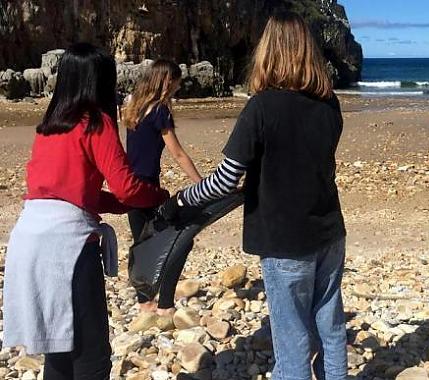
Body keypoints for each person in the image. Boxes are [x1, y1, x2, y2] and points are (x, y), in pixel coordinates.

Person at [159, 12, 347, 379]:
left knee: (292, 343)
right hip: (329, 232)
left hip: (284, 240)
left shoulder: (262, 107)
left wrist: (182, 201)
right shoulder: (329, 104)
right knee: (331, 328)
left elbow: (224, 180)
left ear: (268, 52)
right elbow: (310, 164)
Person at [2, 43, 168, 380]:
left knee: (60, 350)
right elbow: (126, 187)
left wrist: (122, 204)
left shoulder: (49, 125)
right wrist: (159, 196)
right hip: (68, 245)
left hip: (29, 239)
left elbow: (64, 194)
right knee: (92, 356)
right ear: (101, 81)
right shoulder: (97, 121)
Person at [122, 59, 202, 316]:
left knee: (141, 243)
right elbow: (177, 153)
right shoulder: (159, 111)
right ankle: (166, 304)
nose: (178, 87)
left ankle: (144, 302)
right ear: (168, 81)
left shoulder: (134, 107)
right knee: (178, 241)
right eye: (177, 82)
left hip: (129, 185)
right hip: (147, 187)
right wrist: (201, 184)